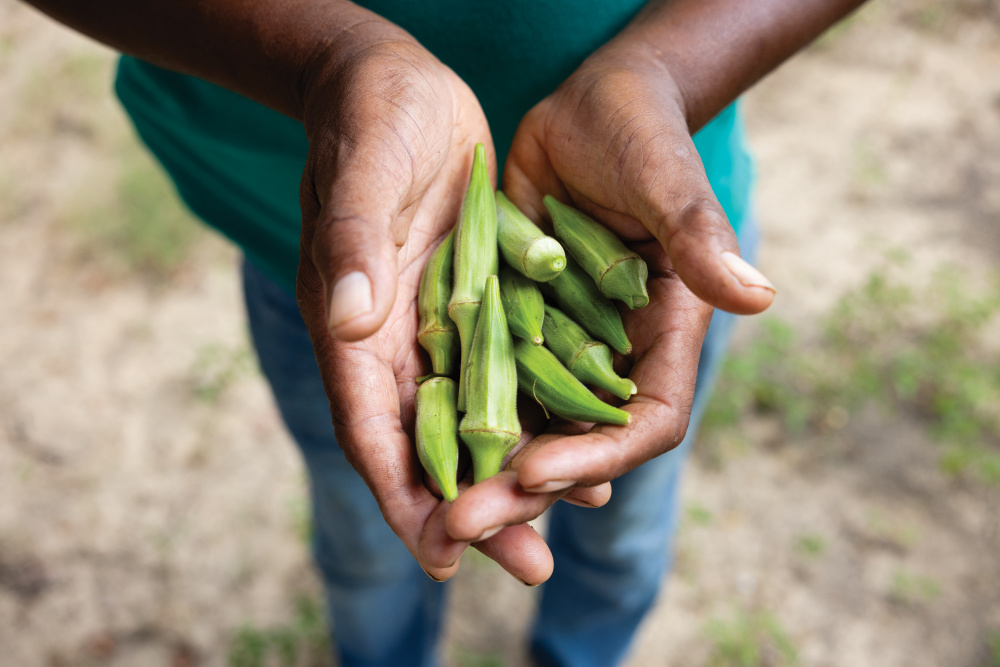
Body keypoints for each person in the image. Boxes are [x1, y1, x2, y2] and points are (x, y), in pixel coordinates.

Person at [23, 1, 865, 665]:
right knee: (370, 539)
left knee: (625, 518)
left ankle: (580, 654)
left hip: (651, 210)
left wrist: (663, 72)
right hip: (326, 247)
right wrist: (331, 63)